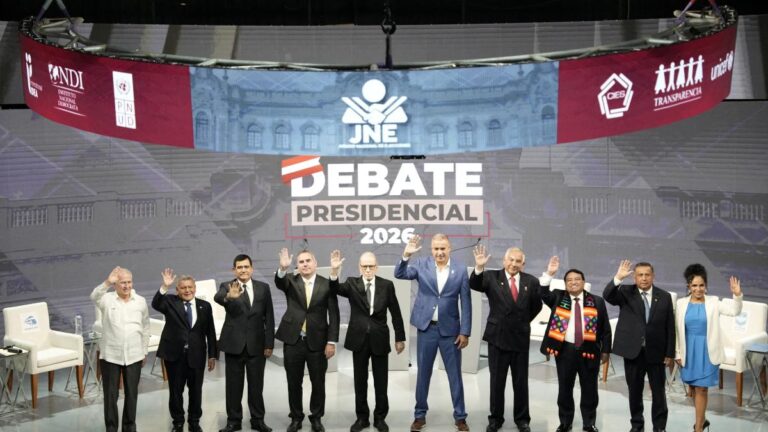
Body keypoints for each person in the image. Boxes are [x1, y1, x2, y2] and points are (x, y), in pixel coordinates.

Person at [471, 245, 554, 432]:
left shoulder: (531, 281)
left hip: (519, 337)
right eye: (511, 260)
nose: (514, 264)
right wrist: (479, 267)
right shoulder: (491, 277)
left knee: (520, 382)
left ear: (523, 264)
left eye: (518, 261)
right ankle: (495, 419)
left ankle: (522, 420)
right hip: (497, 338)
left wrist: (521, 321)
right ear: (504, 260)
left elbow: (537, 306)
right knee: (496, 382)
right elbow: (475, 285)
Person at [395, 233, 471, 432]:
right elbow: (399, 274)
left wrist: (465, 331)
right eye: (436, 249)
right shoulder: (421, 264)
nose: (439, 252)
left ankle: (460, 417)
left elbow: (466, 302)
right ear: (431, 250)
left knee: (455, 376)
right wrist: (406, 255)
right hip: (426, 329)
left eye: (443, 248)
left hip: (451, 331)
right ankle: (419, 415)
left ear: (449, 248)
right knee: (423, 374)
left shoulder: (460, 269)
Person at [330, 251, 406, 432]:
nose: (368, 269)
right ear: (359, 267)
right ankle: (362, 418)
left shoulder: (387, 285)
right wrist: (334, 272)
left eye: (371, 266)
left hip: (380, 338)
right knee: (360, 381)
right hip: (359, 340)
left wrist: (400, 338)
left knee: (381, 382)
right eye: (364, 266)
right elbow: (334, 289)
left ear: (377, 267)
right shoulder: (351, 283)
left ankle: (380, 418)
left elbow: (396, 312)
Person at [603, 260, 675, 432]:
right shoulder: (625, 292)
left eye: (647, 275)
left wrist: (670, 352)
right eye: (640, 275)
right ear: (634, 277)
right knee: (634, 392)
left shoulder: (664, 296)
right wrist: (618, 278)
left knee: (659, 393)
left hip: (656, 352)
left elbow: (670, 327)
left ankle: (659, 427)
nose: (644, 278)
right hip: (633, 352)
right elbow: (608, 295)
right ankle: (637, 426)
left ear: (653, 276)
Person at [275, 248, 340, 432]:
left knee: (318, 383)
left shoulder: (327, 284)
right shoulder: (290, 281)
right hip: (293, 341)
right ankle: (296, 418)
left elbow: (334, 315)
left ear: (315, 263)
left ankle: (316, 417)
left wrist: (331, 341)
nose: (305, 264)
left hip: (318, 342)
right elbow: (279, 281)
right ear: (297, 266)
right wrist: (283, 268)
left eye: (308, 261)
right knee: (293, 383)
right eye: (301, 262)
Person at [539, 268, 611, 432]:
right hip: (565, 350)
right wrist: (549, 274)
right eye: (569, 280)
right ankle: (565, 422)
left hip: (589, 350)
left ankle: (589, 423)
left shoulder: (597, 301)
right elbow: (543, 293)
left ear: (583, 282)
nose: (573, 282)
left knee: (590, 389)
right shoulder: (558, 297)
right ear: (565, 284)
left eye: (577, 279)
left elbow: (605, 328)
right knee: (565, 388)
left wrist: (606, 351)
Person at [674, 264, 742, 432]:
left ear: (706, 286)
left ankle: (698, 428)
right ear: (688, 286)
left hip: (707, 351)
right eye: (694, 285)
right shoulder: (681, 304)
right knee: (693, 389)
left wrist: (737, 295)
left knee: (702, 388)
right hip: (688, 351)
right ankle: (702, 420)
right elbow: (676, 331)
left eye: (701, 285)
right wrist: (677, 353)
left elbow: (734, 311)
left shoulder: (714, 302)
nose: (698, 289)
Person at [215, 254, 275, 432]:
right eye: (239, 267)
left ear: (252, 268)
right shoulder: (227, 286)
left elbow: (269, 317)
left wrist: (269, 343)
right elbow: (218, 298)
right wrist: (229, 297)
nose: (243, 270)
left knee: (256, 386)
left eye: (246, 266)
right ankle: (234, 421)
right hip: (234, 345)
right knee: (233, 386)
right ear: (234, 270)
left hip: (257, 346)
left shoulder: (263, 287)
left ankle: (258, 420)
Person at [152, 269, 218, 432]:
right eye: (183, 288)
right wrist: (164, 287)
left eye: (190, 287)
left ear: (195, 288)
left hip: (197, 355)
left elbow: (210, 332)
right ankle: (178, 422)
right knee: (176, 391)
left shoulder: (205, 306)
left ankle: (194, 421)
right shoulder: (170, 302)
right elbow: (156, 304)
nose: (187, 290)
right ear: (177, 290)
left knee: (196, 391)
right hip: (174, 356)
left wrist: (212, 355)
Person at [91, 266, 150, 432]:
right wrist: (107, 282)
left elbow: (145, 327)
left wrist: (144, 350)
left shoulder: (140, 301)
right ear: (115, 284)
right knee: (111, 395)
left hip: (134, 354)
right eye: (123, 282)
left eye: (129, 282)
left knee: (132, 394)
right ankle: (111, 428)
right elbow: (94, 296)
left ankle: (129, 427)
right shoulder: (106, 299)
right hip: (110, 355)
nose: (126, 286)